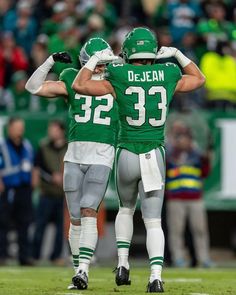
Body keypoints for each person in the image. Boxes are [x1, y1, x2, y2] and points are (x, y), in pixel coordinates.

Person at [72, 27, 205, 293]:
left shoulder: (118, 73)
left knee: (125, 209)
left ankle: (123, 263)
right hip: (154, 152)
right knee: (153, 220)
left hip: (127, 153)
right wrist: (178, 54)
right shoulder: (167, 72)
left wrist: (94, 60)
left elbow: (80, 85)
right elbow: (199, 79)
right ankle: (155, 276)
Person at [25, 38, 118, 290]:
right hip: (74, 155)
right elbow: (32, 87)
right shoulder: (71, 78)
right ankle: (78, 272)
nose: (102, 67)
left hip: (102, 154)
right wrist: (49, 61)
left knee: (89, 210)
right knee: (75, 218)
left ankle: (83, 270)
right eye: (98, 62)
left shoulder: (117, 80)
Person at [165, 125, 213, 268]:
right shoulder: (170, 154)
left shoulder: (197, 155)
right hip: (175, 198)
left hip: (195, 198)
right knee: (175, 231)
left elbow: (205, 172)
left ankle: (204, 259)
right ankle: (178, 258)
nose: (184, 141)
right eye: (180, 138)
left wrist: (207, 159)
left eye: (186, 138)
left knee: (200, 230)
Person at [32, 120, 67, 265]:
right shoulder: (43, 146)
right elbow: (37, 167)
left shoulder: (69, 147)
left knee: (60, 229)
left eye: (54, 129)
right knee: (40, 226)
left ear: (61, 131)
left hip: (63, 195)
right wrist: (51, 176)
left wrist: (63, 176)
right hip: (46, 193)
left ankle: (56, 256)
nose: (51, 132)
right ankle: (34, 255)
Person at [0, 116, 34, 266]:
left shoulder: (27, 145)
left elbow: (32, 165)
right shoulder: (2, 145)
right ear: (10, 128)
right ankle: (2, 255)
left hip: (24, 188)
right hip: (8, 188)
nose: (20, 130)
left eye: (22, 127)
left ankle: (24, 257)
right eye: (17, 127)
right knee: (3, 223)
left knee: (24, 223)